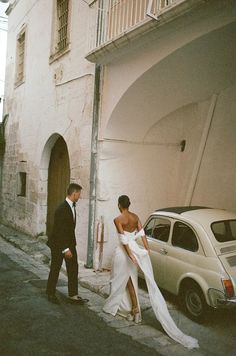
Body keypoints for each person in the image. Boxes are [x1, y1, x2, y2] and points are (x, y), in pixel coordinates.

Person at [103, 195, 199, 350]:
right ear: (129, 204)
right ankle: (135, 311)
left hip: (124, 253)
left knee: (124, 280)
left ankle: (131, 308)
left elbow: (124, 241)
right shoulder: (135, 217)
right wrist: (146, 250)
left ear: (119, 205)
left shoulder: (117, 219)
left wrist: (131, 255)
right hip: (133, 251)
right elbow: (142, 234)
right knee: (129, 280)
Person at [46, 183, 88, 305]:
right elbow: (59, 230)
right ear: (74, 193)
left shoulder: (72, 207)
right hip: (59, 244)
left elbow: (69, 229)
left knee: (73, 268)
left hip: (69, 243)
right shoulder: (61, 209)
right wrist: (65, 249)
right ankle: (50, 293)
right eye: (79, 194)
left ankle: (73, 295)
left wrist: (70, 246)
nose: (80, 197)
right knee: (55, 268)